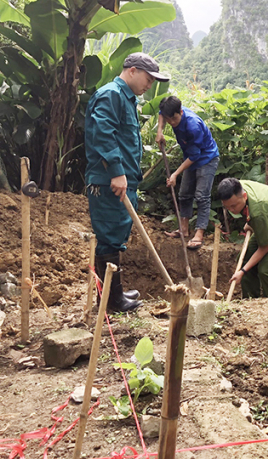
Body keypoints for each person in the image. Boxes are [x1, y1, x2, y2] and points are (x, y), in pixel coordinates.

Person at [85, 52, 170, 312]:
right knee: (109, 238)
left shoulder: (126, 98)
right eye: (148, 79)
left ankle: (114, 293)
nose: (150, 85)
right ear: (132, 71)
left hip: (122, 181)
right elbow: (103, 133)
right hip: (109, 180)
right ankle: (111, 301)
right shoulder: (111, 94)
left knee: (115, 236)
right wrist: (116, 171)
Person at [155, 96, 220, 249]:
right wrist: (159, 132)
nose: (172, 122)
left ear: (181, 112)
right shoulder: (169, 112)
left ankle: (199, 233)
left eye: (174, 118)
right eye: (169, 119)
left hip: (207, 158)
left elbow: (195, 156)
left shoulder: (192, 125)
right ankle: (184, 229)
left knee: (201, 196)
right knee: (184, 194)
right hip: (190, 156)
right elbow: (161, 114)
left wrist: (175, 174)